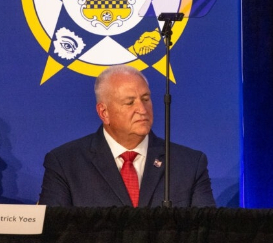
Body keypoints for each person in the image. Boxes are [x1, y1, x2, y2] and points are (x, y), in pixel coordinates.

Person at [38, 65, 216, 207]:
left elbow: (206, 233)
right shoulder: (65, 163)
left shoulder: (189, 164)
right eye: (129, 102)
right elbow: (55, 233)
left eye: (146, 99)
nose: (142, 109)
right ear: (104, 112)